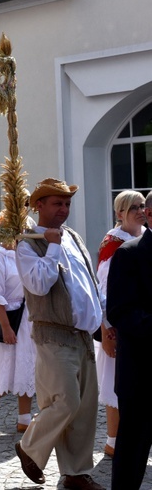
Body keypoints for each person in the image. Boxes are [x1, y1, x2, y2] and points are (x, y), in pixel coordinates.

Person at [14, 178, 104, 490]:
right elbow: (38, 284)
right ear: (39, 206)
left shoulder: (74, 238)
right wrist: (51, 246)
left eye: (66, 203)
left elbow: (90, 285)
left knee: (85, 408)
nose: (63, 209)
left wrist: (105, 320)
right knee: (65, 401)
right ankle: (29, 447)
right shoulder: (27, 243)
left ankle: (76, 474)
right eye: (57, 203)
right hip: (52, 334)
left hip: (82, 335)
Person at [107, 190, 152, 489]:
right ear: (150, 214)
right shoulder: (128, 253)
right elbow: (120, 312)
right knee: (132, 455)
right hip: (142, 375)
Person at [95, 190, 145, 459]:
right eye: (131, 207)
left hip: (138, 326)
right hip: (117, 326)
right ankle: (113, 442)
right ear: (119, 214)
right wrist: (106, 331)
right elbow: (104, 292)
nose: (138, 210)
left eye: (140, 206)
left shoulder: (141, 239)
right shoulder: (115, 245)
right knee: (116, 386)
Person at [0, 238, 36, 432]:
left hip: (27, 318)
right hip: (9, 317)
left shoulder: (25, 254)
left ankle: (24, 419)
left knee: (26, 370)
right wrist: (6, 327)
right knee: (3, 376)